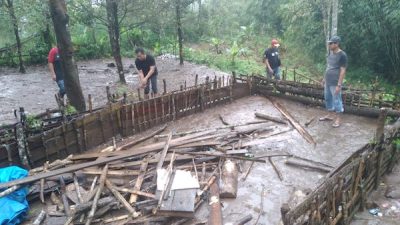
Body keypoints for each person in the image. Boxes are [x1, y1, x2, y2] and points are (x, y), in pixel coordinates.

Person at [319, 36, 348, 128]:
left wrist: (339, 85)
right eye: (329, 43)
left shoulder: (342, 55)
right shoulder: (330, 54)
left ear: (337, 44)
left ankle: (338, 119)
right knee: (327, 98)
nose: (330, 45)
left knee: (337, 100)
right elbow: (328, 67)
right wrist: (324, 78)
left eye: (331, 43)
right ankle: (330, 115)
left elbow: (343, 70)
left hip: (335, 82)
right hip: (328, 80)